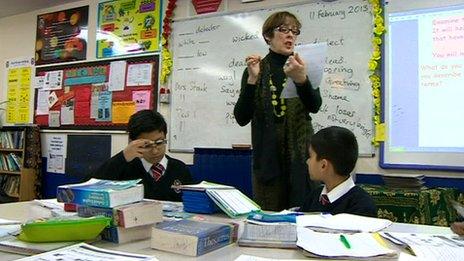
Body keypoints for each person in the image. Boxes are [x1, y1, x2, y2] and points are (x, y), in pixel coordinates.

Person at [234, 11, 322, 211]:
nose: (290, 35)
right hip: (268, 162)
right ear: (268, 36)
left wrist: (301, 80)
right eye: (283, 30)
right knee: (270, 221)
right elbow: (241, 117)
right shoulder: (256, 69)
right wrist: (252, 80)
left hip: (301, 159)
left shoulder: (302, 66)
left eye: (294, 31)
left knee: (304, 217)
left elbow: (315, 106)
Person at [89, 110, 193, 201]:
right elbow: (90, 187)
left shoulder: (180, 169)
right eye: (147, 145)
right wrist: (123, 156)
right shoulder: (125, 168)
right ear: (132, 142)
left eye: (159, 142)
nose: (155, 151)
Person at [300, 126, 377, 217]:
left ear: (323, 165)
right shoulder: (314, 196)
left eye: (310, 156)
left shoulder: (362, 205)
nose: (307, 161)